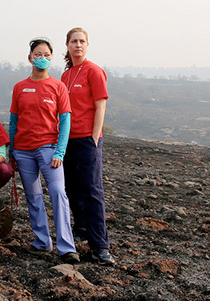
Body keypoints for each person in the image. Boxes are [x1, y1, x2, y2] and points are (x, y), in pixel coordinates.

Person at [9, 38, 79, 264]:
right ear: (30, 58)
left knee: (58, 193)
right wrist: (11, 151)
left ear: (51, 58)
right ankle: (42, 242)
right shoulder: (19, 87)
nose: (42, 58)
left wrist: (60, 152)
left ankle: (66, 247)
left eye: (47, 54)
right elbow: (13, 121)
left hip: (49, 150)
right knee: (34, 197)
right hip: (23, 151)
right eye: (38, 54)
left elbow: (65, 122)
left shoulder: (58, 87)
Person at [60, 27, 115, 265]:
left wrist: (94, 137)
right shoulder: (66, 75)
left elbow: (100, 105)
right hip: (67, 140)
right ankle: (81, 228)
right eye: (74, 41)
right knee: (72, 188)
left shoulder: (93, 71)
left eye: (82, 41)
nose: (78, 45)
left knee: (92, 190)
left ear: (87, 44)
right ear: (68, 45)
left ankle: (100, 246)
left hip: (87, 139)